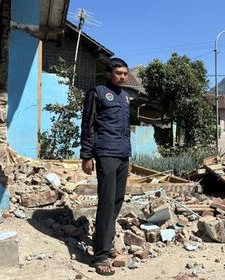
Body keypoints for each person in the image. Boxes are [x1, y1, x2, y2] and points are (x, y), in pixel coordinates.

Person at [80, 58, 131, 276]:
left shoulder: (125, 96)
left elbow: (126, 129)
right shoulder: (97, 93)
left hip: (122, 154)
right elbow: (88, 124)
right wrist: (86, 155)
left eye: (125, 73)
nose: (123, 77)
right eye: (119, 73)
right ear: (109, 73)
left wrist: (129, 156)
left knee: (117, 202)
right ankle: (99, 255)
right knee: (107, 202)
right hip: (105, 153)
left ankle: (107, 243)